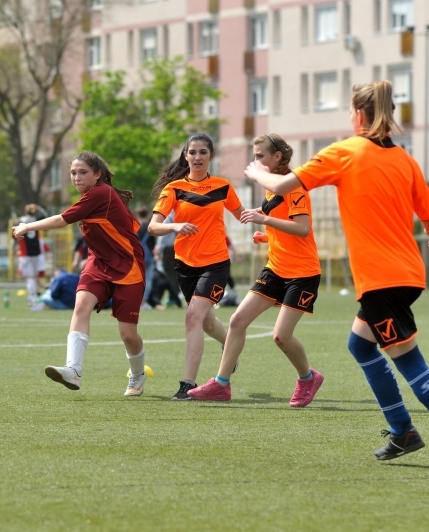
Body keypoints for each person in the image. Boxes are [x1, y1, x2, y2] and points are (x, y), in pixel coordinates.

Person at [245, 80, 429, 460]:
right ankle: (402, 432)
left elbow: (280, 184)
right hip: (408, 273)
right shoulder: (406, 160)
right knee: (359, 344)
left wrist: (255, 173)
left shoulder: (345, 153)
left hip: (382, 280)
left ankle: (403, 430)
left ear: (358, 115)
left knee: (411, 363)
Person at [188, 133, 324, 407]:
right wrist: (268, 234)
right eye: (255, 155)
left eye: (261, 155)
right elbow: (281, 222)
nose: (256, 160)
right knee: (237, 321)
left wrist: (265, 220)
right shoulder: (271, 187)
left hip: (303, 273)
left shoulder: (294, 186)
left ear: (277, 158)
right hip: (276, 268)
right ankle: (221, 384)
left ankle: (308, 377)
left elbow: (302, 228)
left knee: (280, 336)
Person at [13, 151, 148, 396]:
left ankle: (138, 374)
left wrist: (27, 226)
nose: (76, 177)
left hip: (128, 266)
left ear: (98, 175)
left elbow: (61, 220)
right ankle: (73, 370)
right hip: (98, 264)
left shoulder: (100, 193)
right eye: (73, 173)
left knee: (128, 335)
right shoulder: (90, 196)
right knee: (81, 306)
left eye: (83, 172)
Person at [147, 132, 244, 400]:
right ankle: (230, 348)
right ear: (186, 155)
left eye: (203, 152)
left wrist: (271, 221)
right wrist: (175, 225)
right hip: (184, 264)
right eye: (192, 152)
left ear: (211, 156)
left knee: (192, 317)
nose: (197, 157)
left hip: (216, 263)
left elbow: (243, 215)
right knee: (207, 323)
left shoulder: (223, 186)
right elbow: (153, 226)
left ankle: (187, 384)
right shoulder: (174, 189)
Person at [16, 203, 48, 305]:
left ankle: (32, 298)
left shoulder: (20, 222)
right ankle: (34, 297)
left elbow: (15, 237)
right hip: (36, 252)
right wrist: (39, 208)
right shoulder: (37, 220)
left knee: (30, 277)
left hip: (25, 253)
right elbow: (45, 216)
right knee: (34, 276)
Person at [159, 212, 182, 308]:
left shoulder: (169, 215)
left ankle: (174, 297)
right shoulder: (180, 214)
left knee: (170, 274)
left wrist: (159, 249)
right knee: (177, 274)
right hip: (180, 247)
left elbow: (163, 234)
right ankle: (176, 296)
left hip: (169, 248)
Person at [135, 207, 156, 308]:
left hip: (137, 256)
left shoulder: (134, 227)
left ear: (138, 215)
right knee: (148, 280)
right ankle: (143, 301)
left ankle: (136, 300)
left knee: (137, 280)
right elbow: (152, 243)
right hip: (148, 257)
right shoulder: (149, 227)